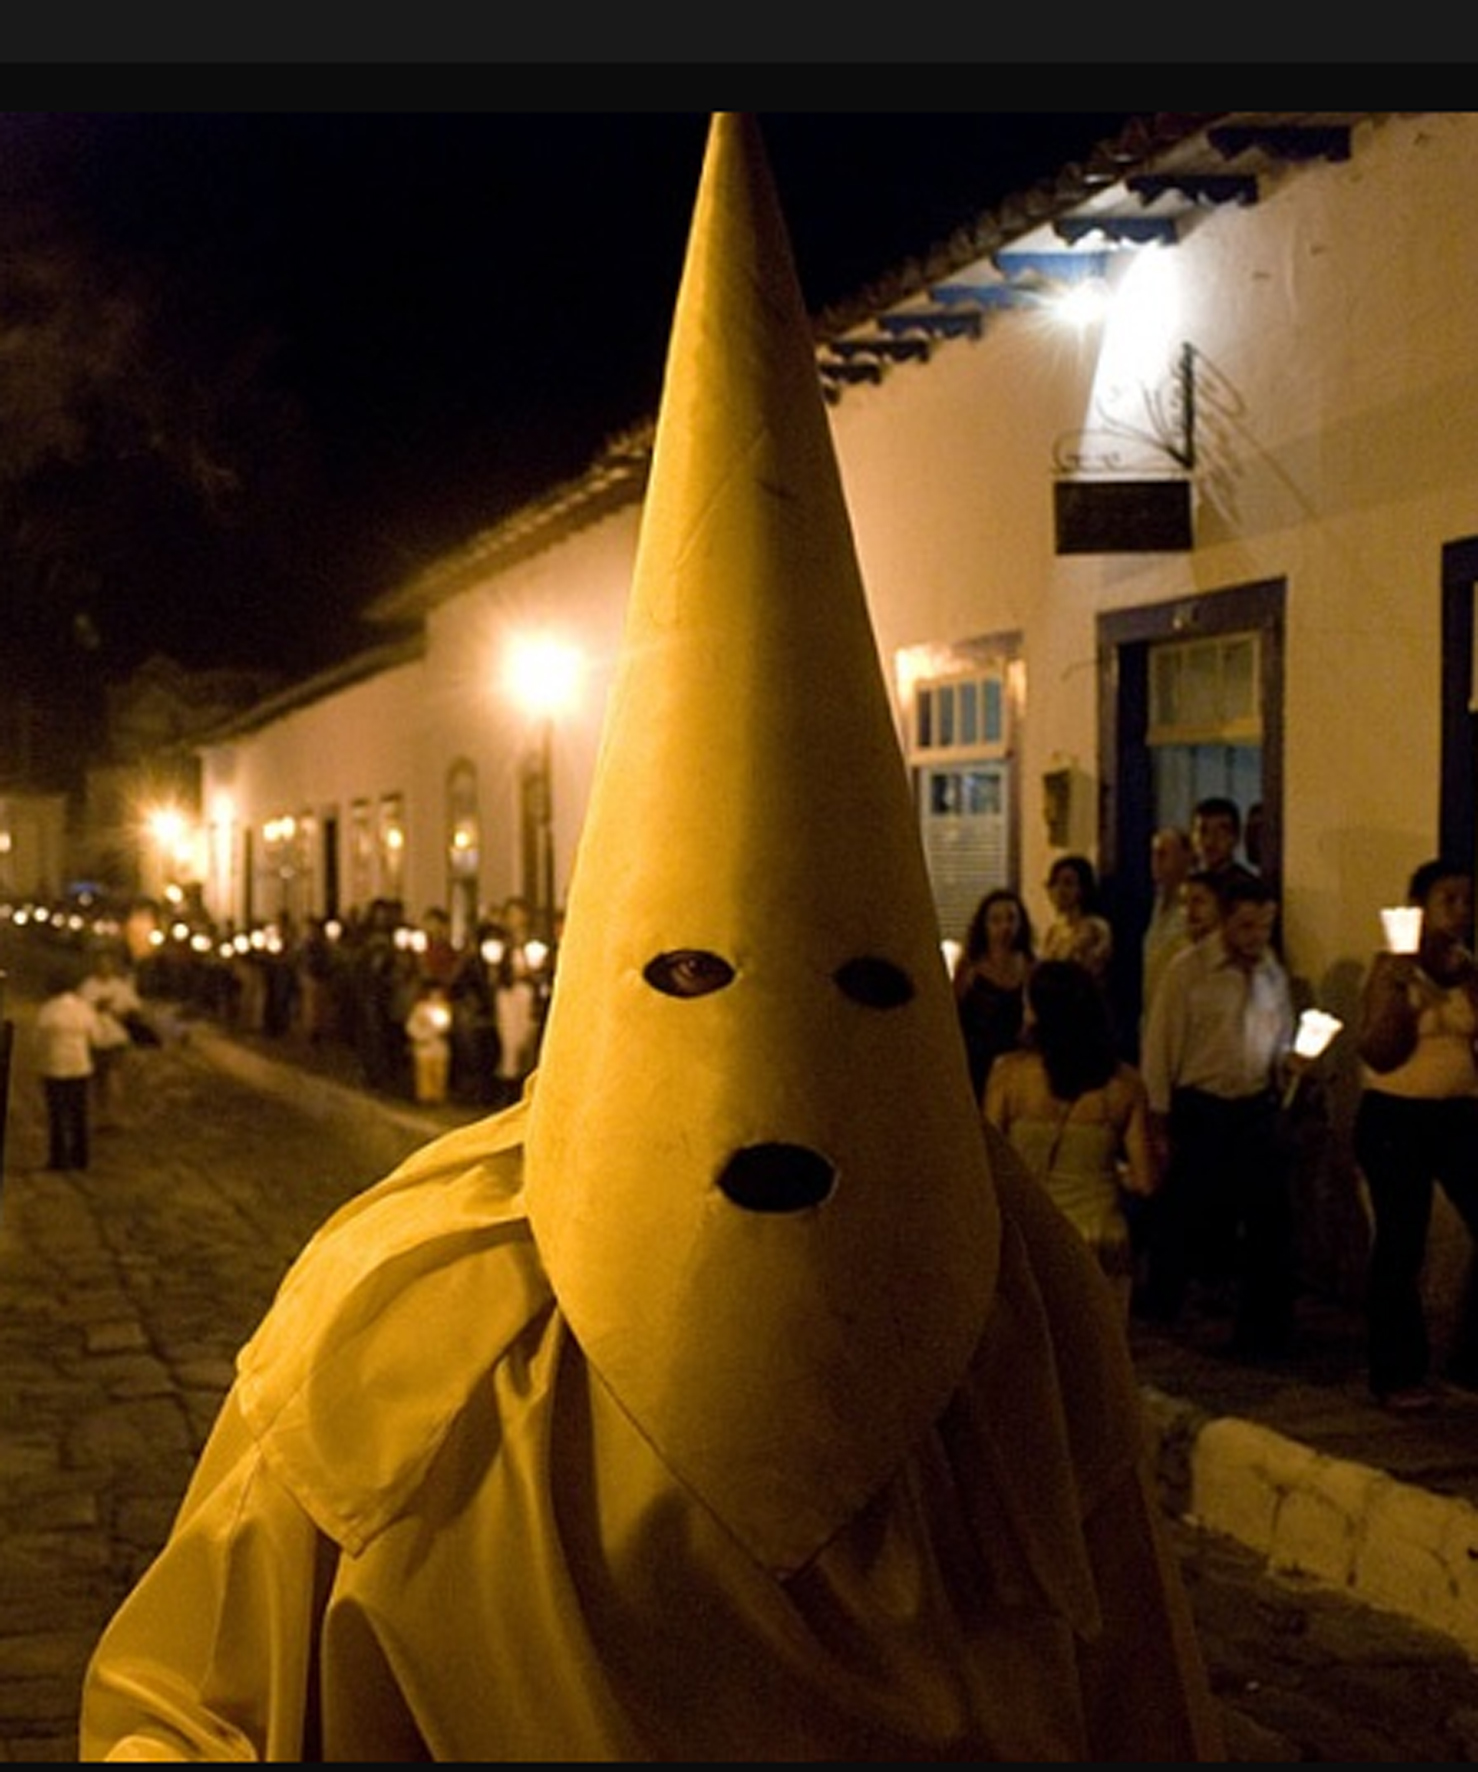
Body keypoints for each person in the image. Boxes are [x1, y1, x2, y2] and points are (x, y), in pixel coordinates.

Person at [80, 112, 1221, 1763]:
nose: (765, 1063)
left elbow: (1130, 1685)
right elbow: (191, 1701)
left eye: (860, 986)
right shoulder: (412, 1321)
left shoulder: (1011, 1307)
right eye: (689, 972)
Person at [1137, 870, 1306, 1356]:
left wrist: (1293, 1062)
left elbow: (1280, 1036)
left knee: (1269, 1217)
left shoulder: (1271, 972)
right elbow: (1160, 1047)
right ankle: (1167, 1304)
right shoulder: (1188, 971)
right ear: (1227, 922)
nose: (1257, 938)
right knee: (1185, 1209)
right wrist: (1159, 1118)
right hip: (1201, 1106)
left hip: (1252, 1106)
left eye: (1265, 927)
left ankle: (1263, 1329)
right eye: (1248, 926)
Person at [1353, 857, 1478, 1412]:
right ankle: (1395, 1371)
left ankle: (1465, 1361)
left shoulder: (1467, 967)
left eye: (1467, 901)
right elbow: (1378, 1053)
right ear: (1421, 908)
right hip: (1396, 1115)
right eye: (1448, 900)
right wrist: (1404, 996)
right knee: (1402, 1239)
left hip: (1458, 1117)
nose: (1461, 912)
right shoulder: (1390, 967)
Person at [984, 959, 1159, 1321]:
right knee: (1100, 1359)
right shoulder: (1124, 1085)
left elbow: (987, 1162)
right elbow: (1146, 1180)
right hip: (1100, 1237)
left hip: (1032, 1238)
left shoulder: (1009, 1077)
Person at [951, 885, 1034, 1099]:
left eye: (1011, 919)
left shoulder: (1030, 966)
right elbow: (954, 1012)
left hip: (1013, 1060)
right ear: (984, 925)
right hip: (975, 1059)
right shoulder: (970, 966)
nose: (1005, 927)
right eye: (996, 920)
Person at [34, 964, 106, 1172]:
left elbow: (38, 1039)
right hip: (79, 1066)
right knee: (79, 1113)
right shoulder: (84, 1009)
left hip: (55, 1066)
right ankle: (80, 1157)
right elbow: (97, 1037)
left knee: (57, 1114)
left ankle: (58, 1158)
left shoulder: (49, 1009)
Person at [78, 946, 145, 1130]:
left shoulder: (120, 987)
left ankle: (113, 1115)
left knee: (113, 1078)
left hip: (115, 1039)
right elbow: (79, 1011)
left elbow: (135, 1009)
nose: (104, 968)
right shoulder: (88, 986)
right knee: (96, 1080)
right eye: (101, 965)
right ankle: (97, 1116)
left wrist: (121, 1013)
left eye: (108, 965)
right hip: (94, 1039)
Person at [1140, 825, 1194, 1042]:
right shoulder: (1157, 903)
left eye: (1163, 854)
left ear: (1186, 858)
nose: (1156, 863)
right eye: (1153, 855)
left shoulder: (1193, 908)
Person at [1039, 852, 1114, 984]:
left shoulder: (1095, 928)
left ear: (1083, 888)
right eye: (1055, 883)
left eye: (1068, 883)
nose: (1060, 890)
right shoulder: (1054, 931)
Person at [1190, 794, 1257, 888]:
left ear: (1235, 837)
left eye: (1220, 833)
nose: (1209, 841)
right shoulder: (1185, 887)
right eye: (1203, 831)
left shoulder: (1247, 888)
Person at [404, 981, 453, 1106]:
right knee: (424, 1073)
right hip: (423, 1046)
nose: (436, 995)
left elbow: (445, 1026)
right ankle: (424, 1097)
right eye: (433, 993)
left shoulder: (444, 1008)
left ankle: (437, 1096)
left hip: (438, 1046)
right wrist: (421, 1036)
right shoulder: (420, 1008)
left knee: (439, 1072)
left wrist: (439, 1031)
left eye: (439, 993)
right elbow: (411, 1025)